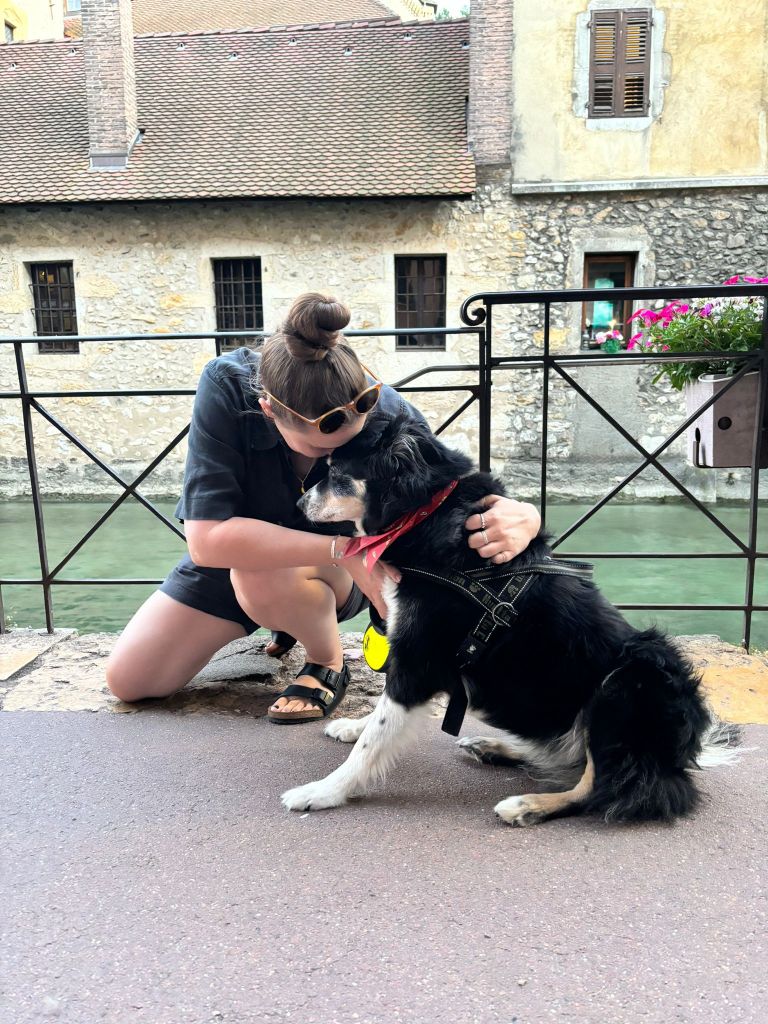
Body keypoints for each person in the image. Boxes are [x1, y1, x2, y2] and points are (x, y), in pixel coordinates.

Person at [106, 293, 541, 723]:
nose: (333, 456)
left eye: (350, 443)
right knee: (133, 680)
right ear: (267, 410)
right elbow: (207, 542)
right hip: (258, 556)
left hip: (341, 579)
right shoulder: (226, 386)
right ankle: (286, 618)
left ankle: (325, 660)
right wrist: (344, 551)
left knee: (260, 576)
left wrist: (526, 517)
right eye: (320, 449)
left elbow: (450, 497)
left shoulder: (386, 411)